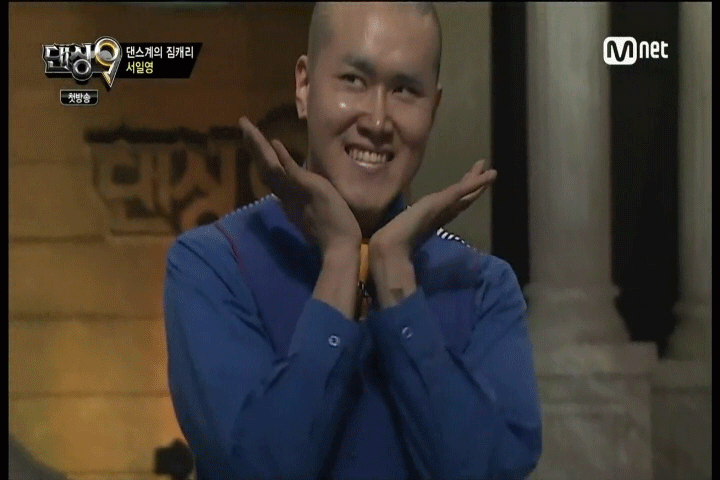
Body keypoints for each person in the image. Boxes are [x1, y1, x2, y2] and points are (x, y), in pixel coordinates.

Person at [163, 2, 542, 479]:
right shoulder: (213, 265)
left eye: (405, 90)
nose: (378, 122)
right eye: (354, 81)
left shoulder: (482, 285)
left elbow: (491, 471)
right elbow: (257, 469)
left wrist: (396, 278)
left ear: (433, 109)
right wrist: (341, 260)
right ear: (304, 87)